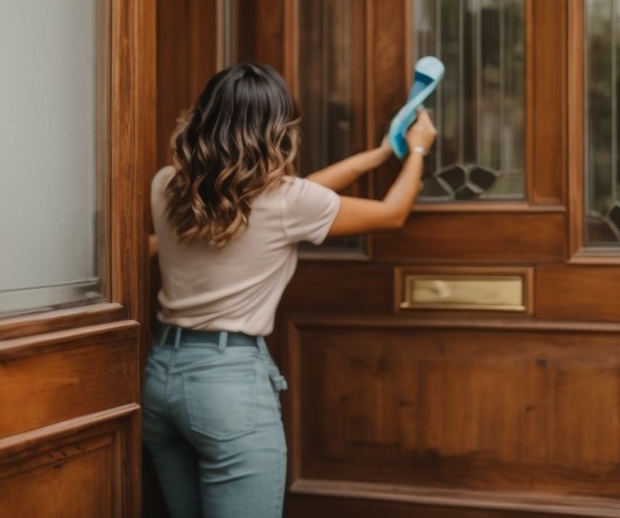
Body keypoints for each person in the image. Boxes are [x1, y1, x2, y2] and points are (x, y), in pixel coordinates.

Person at [143, 62, 437, 518]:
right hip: (226, 386)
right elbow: (390, 213)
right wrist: (416, 151)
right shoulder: (287, 203)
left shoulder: (168, 185)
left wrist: (377, 155)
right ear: (277, 130)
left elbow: (287, 199)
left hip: (162, 376)